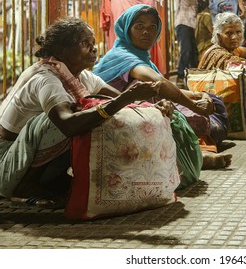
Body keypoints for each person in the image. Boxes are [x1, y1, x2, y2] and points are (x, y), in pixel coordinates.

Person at [0, 18, 167, 207]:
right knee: (67, 118)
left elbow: (122, 101)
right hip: (6, 163)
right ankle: (25, 186)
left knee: (100, 112)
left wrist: (151, 107)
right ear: (62, 50)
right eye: (84, 44)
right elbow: (68, 124)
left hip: (25, 157)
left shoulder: (83, 77)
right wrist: (124, 99)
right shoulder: (46, 78)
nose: (93, 49)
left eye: (93, 44)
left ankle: (53, 180)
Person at [93, 4, 232, 170]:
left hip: (138, 111)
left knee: (212, 99)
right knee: (151, 91)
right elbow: (158, 82)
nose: (147, 32)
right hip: (118, 117)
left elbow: (168, 86)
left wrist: (197, 94)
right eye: (139, 26)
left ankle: (195, 150)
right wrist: (194, 105)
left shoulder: (142, 57)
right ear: (126, 30)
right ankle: (194, 153)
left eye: (152, 27)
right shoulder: (122, 56)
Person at [165, 0, 199, 88]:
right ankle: (180, 77)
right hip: (183, 23)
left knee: (193, 52)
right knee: (186, 50)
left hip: (191, 25)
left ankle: (194, 78)